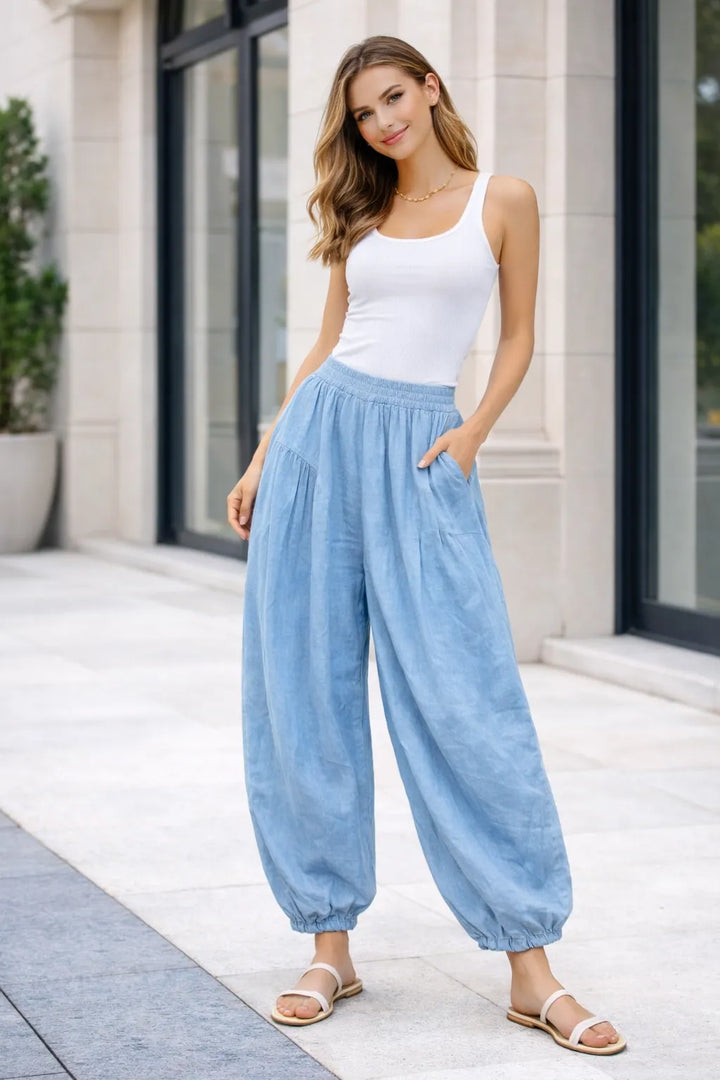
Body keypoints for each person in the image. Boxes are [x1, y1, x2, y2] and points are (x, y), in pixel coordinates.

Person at [227, 34, 626, 1058]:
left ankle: (531, 969)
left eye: (393, 98)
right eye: (364, 113)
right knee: (303, 695)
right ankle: (330, 947)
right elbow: (324, 346)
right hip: (319, 445)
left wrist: (472, 436)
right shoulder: (364, 211)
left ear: (431, 86)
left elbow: (521, 334)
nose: (382, 122)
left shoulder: (506, 197)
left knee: (466, 699)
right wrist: (267, 452)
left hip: (422, 453)